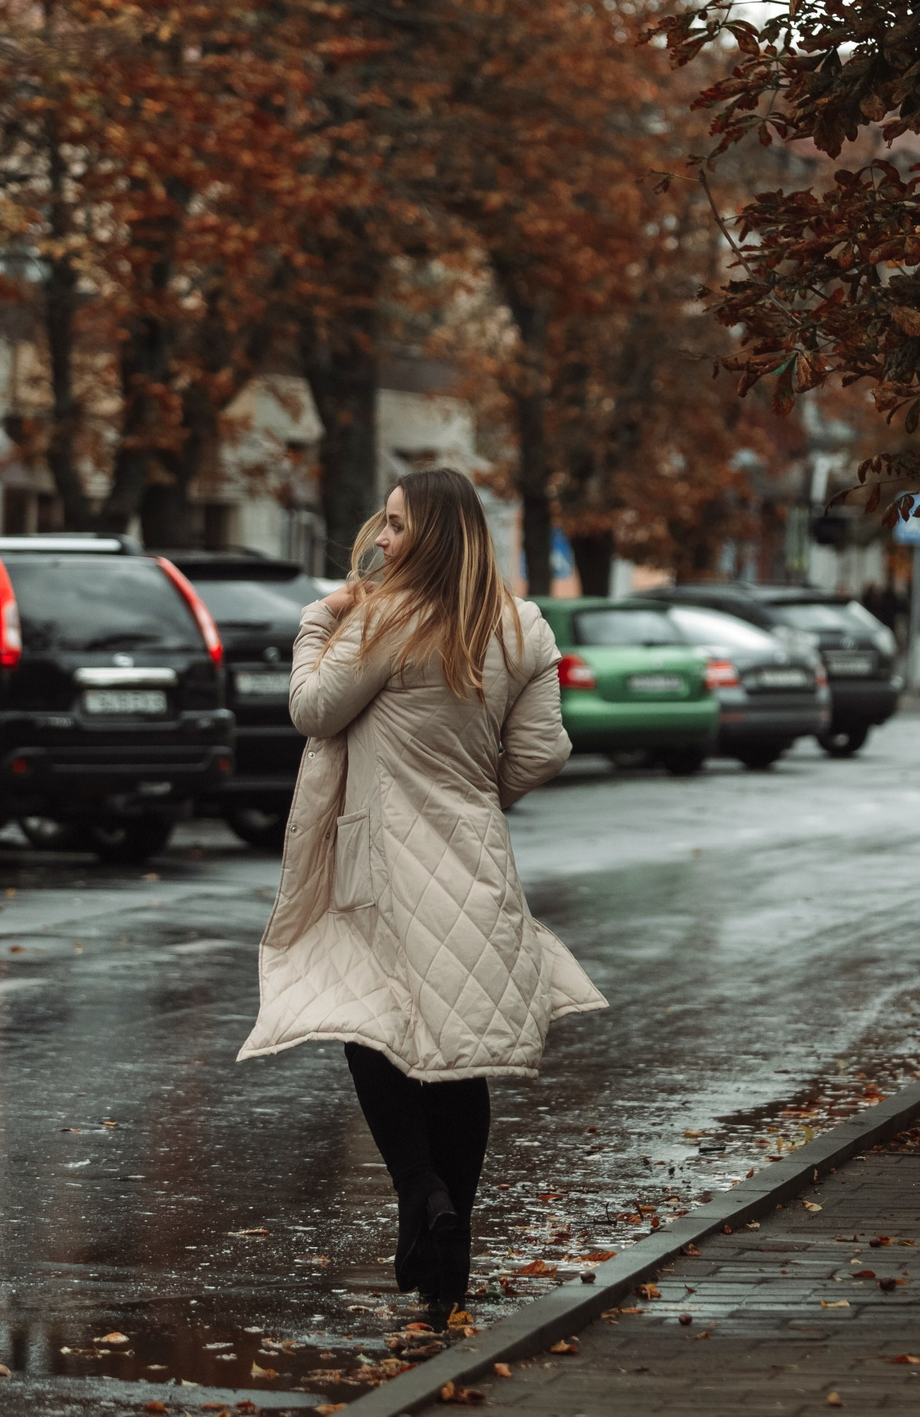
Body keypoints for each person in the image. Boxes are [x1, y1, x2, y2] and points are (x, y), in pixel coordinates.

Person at [239, 467, 605, 1328]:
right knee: (458, 1047)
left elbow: (313, 710)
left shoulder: (380, 618)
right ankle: (450, 1260)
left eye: (399, 525)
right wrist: (479, 791)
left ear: (435, 533)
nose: (386, 539)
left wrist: (314, 623)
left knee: (371, 1025)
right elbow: (545, 750)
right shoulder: (521, 626)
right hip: (475, 857)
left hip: (379, 859)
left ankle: (420, 1192)